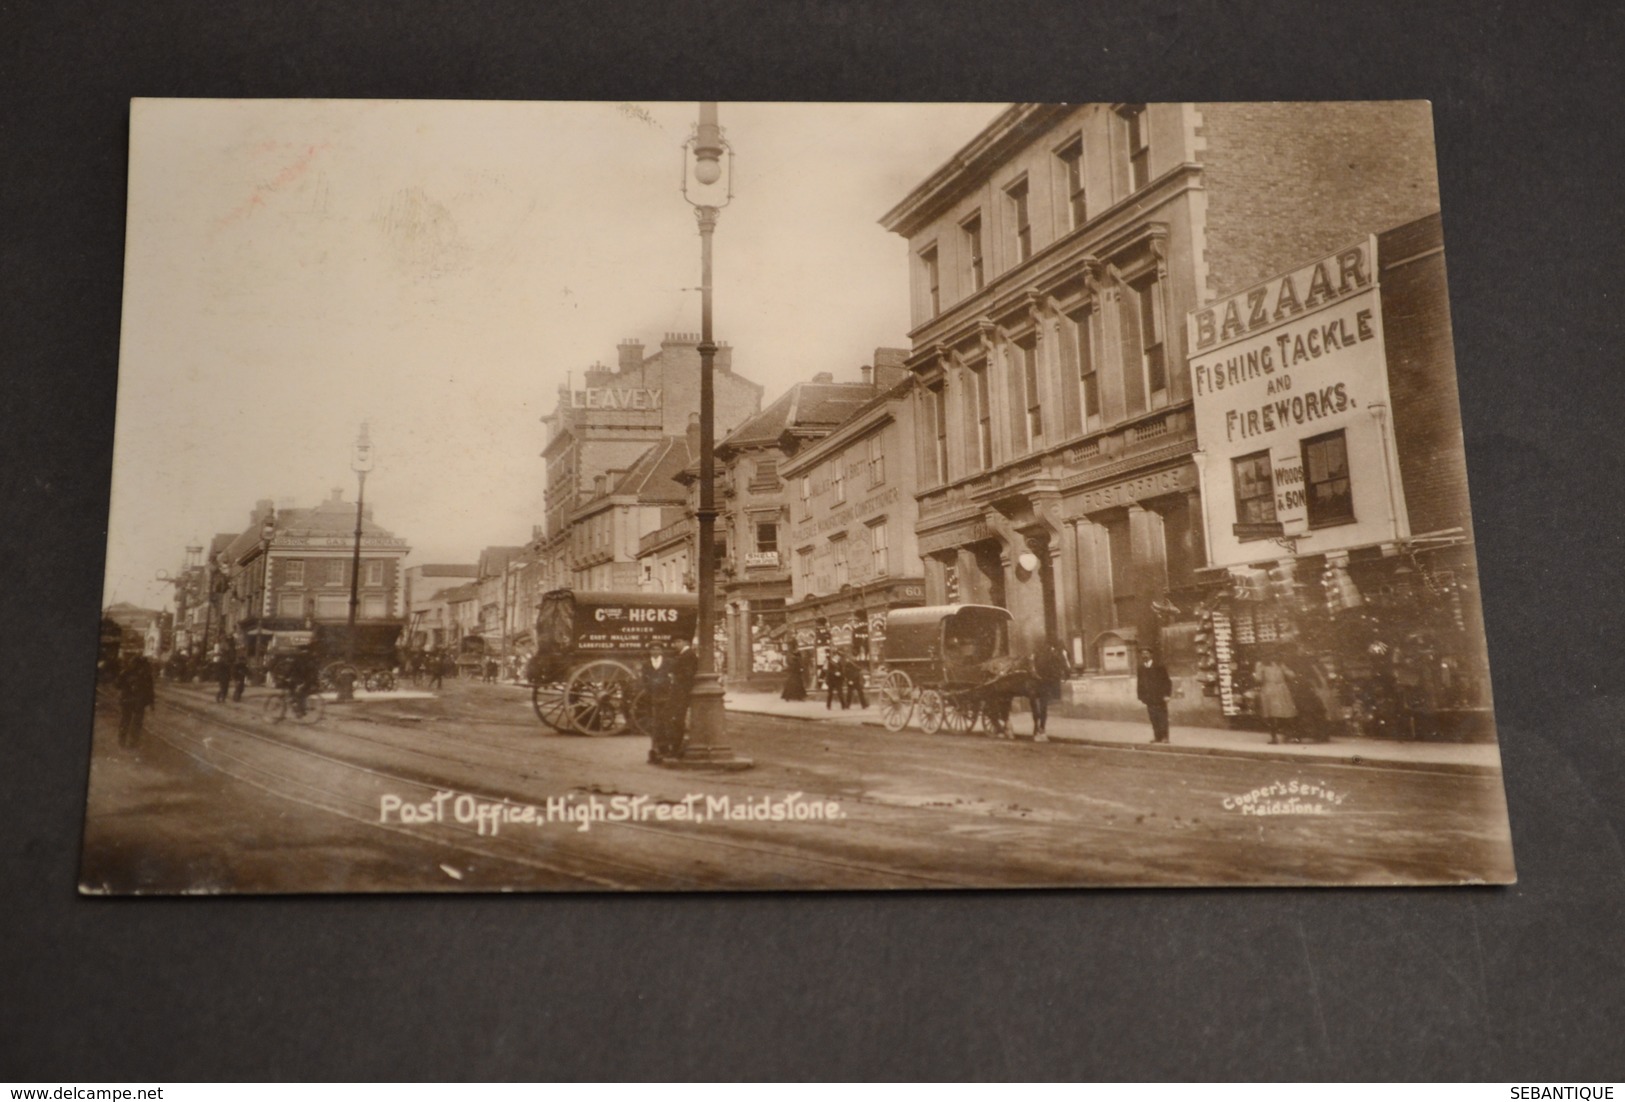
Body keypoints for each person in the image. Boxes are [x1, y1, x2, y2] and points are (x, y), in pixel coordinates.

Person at [643, 640, 697, 763]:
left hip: (668, 696)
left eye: (657, 649)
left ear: (661, 651)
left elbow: (673, 676)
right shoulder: (646, 664)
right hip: (653, 697)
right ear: (650, 651)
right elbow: (644, 680)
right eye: (653, 649)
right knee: (656, 724)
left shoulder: (669, 663)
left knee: (667, 722)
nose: (655, 651)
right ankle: (658, 750)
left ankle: (668, 749)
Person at [1028, 636, 1072, 741]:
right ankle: (1037, 728)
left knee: (1044, 706)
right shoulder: (1036, 653)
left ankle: (1042, 729)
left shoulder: (1052, 654)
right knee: (1037, 705)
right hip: (1037, 678)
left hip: (1045, 679)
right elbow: (1031, 659)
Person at [1255, 651, 1298, 744]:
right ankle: (1275, 737)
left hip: (1278, 690)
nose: (1272, 657)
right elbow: (1258, 678)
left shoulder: (1279, 665)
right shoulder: (1262, 665)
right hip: (1272, 690)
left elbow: (1291, 675)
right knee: (1273, 714)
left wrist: (1288, 673)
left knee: (1284, 713)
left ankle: (1287, 735)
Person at [116, 654, 156, 748]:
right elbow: (150, 690)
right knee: (136, 722)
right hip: (137, 702)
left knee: (126, 720)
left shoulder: (126, 672)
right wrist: (151, 703)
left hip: (129, 701)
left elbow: (117, 685)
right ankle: (132, 742)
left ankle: (123, 740)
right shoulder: (145, 675)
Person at [1137, 648, 1173, 744]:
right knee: (1153, 718)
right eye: (1143, 654)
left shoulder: (1159, 667)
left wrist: (1167, 695)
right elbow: (1139, 683)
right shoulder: (1141, 668)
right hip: (1149, 698)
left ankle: (1165, 737)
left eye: (1147, 653)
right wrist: (1141, 696)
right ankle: (1157, 737)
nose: (1145, 655)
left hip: (1160, 697)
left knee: (1162, 717)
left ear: (1151, 655)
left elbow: (1167, 681)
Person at [285, 645, 320, 719]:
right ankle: (299, 708)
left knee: (298, 693)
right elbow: (292, 669)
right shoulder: (309, 659)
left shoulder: (301, 659)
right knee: (298, 692)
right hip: (306, 680)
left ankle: (300, 710)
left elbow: (291, 669)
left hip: (304, 680)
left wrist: (286, 676)